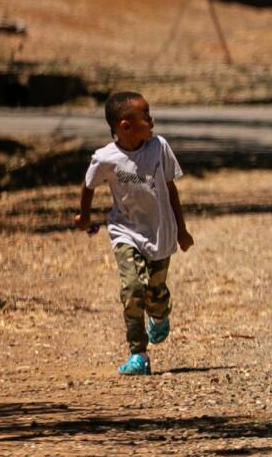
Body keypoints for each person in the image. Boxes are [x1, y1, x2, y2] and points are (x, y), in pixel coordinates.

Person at [74, 90, 194, 374]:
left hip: (160, 231)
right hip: (125, 230)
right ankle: (138, 353)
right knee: (132, 289)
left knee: (155, 293)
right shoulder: (106, 157)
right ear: (125, 126)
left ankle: (160, 314)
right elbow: (89, 185)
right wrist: (84, 215)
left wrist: (182, 229)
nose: (152, 121)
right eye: (146, 116)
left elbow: (170, 188)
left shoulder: (158, 147)